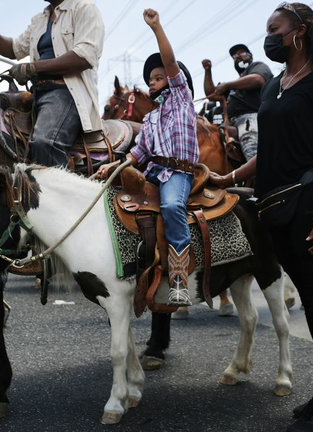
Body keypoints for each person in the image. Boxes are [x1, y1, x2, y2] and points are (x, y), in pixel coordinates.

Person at [209, 3, 313, 431]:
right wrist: (228, 177)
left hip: (310, 202)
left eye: (275, 28)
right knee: (311, 299)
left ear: (300, 31)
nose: (269, 36)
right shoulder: (274, 85)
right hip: (274, 207)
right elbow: (268, 151)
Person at [95, 8, 197, 306]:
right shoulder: (151, 117)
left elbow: (170, 61)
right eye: (150, 79)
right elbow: (139, 152)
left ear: (174, 79)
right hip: (153, 171)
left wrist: (156, 28)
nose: (152, 82)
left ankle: (179, 279)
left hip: (177, 172)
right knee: (118, 199)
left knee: (172, 206)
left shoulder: (181, 100)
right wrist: (113, 166)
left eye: (158, 77)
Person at [0, 0, 105, 167]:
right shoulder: (40, 20)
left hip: (66, 93)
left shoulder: (84, 8)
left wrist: (33, 68)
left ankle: (58, 184)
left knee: (45, 143)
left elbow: (84, 57)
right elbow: (13, 49)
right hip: (37, 93)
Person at [202, 44, 273, 162]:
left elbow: (258, 79)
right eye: (235, 56)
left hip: (250, 118)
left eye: (242, 53)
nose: (238, 56)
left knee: (251, 149)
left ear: (250, 57)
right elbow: (212, 95)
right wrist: (207, 71)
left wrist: (227, 85)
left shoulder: (258, 66)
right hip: (230, 122)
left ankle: (260, 170)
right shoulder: (235, 85)